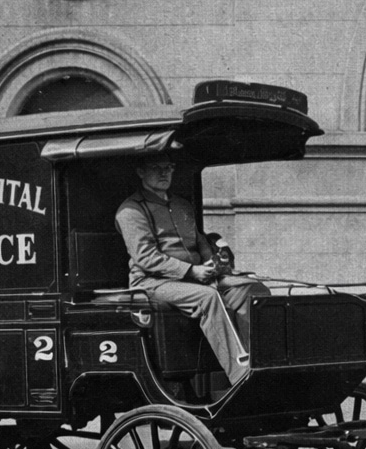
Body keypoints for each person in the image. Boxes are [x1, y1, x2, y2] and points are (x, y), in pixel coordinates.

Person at [114, 154, 268, 386]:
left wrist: (212, 266)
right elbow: (146, 257)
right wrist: (192, 271)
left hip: (194, 278)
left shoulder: (182, 205)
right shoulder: (131, 211)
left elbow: (200, 242)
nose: (164, 173)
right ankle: (241, 376)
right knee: (208, 298)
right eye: (156, 167)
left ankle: (259, 361)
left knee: (249, 289)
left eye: (169, 167)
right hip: (152, 284)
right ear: (140, 172)